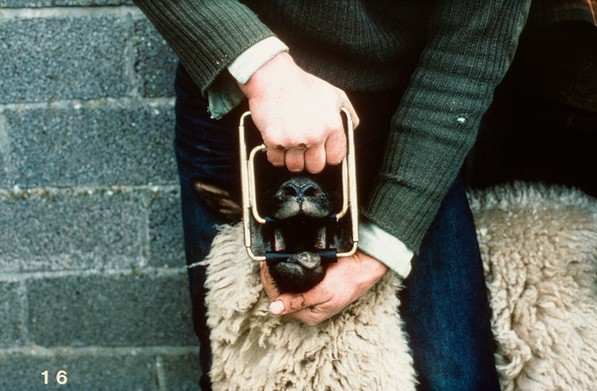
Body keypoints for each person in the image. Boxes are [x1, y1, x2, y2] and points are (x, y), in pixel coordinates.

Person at [133, 1, 531, 390]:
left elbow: (473, 44)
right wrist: (264, 71)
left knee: (453, 374)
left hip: (409, 113)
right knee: (242, 372)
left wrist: (383, 245)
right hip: (243, 85)